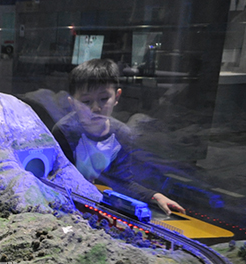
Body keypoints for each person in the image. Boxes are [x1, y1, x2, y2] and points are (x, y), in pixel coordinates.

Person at [52, 58, 185, 216]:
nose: (96, 108)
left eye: (104, 99)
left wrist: (154, 196)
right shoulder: (64, 131)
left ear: (117, 96)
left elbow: (122, 182)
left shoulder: (121, 133)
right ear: (72, 103)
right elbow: (59, 180)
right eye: (86, 101)